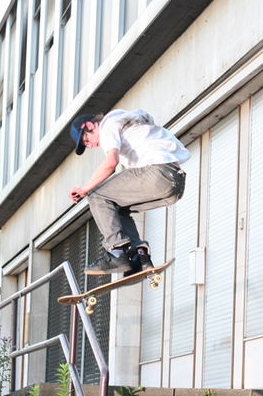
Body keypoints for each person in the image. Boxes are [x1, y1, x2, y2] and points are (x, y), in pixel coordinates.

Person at [69, 108, 190, 274]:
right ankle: (139, 256)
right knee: (116, 207)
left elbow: (111, 162)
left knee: (97, 196)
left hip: (157, 173)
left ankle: (116, 251)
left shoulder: (107, 126)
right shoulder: (126, 122)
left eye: (86, 140)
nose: (90, 146)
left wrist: (85, 188)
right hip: (175, 182)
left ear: (90, 125)